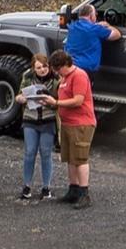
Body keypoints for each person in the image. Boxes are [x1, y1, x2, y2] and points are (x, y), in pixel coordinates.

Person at [48, 49, 96, 209]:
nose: (56, 73)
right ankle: (73, 189)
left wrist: (56, 103)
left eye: (57, 69)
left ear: (64, 65)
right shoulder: (65, 78)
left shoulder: (79, 76)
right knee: (70, 157)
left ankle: (84, 193)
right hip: (67, 123)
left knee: (80, 158)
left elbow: (78, 100)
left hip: (81, 123)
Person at [14, 53, 59, 201]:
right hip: (30, 119)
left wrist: (51, 101)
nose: (42, 70)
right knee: (29, 152)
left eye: (45, 66)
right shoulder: (27, 77)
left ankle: (46, 187)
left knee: (46, 153)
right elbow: (19, 96)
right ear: (34, 68)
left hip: (48, 119)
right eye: (39, 68)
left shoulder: (56, 78)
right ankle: (27, 186)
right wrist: (22, 98)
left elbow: (60, 99)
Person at [64, 3, 120, 72]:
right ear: (91, 16)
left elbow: (86, 28)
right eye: (95, 14)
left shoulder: (72, 26)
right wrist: (107, 25)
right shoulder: (95, 29)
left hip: (70, 65)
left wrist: (96, 25)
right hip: (86, 69)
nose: (96, 16)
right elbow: (117, 35)